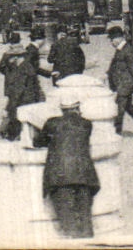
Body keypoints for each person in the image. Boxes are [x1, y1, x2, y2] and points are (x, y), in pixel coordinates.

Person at [33, 97, 100, 239]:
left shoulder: (52, 123)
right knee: (86, 222)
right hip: (85, 177)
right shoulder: (86, 124)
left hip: (60, 177)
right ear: (77, 109)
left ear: (62, 110)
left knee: (68, 224)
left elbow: (38, 142)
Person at [0, 34, 45, 142]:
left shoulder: (16, 63)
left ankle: (9, 132)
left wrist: (7, 73)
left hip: (18, 95)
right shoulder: (24, 64)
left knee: (13, 113)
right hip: (25, 97)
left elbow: (0, 67)